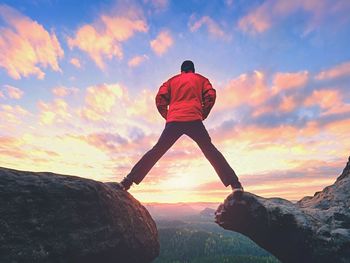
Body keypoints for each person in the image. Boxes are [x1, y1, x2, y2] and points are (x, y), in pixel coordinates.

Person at [119, 60, 243, 194]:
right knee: (210, 151)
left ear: (181, 70)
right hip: (194, 119)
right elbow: (210, 95)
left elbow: (160, 98)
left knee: (157, 151)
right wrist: (203, 113)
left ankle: (127, 181)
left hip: (174, 121)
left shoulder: (171, 81)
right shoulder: (201, 79)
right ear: (193, 69)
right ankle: (235, 185)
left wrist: (168, 115)